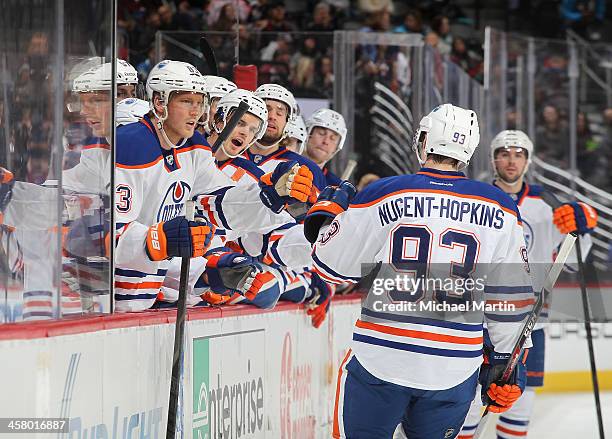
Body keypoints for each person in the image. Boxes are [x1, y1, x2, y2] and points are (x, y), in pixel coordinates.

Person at [305, 104, 535, 438]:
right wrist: (505, 360)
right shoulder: (501, 207)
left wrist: (329, 216)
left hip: (382, 357)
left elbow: (331, 267)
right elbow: (511, 300)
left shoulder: (387, 192)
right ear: (469, 149)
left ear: (424, 139)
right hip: (454, 367)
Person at [113, 60, 314, 312]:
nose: (195, 111)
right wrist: (160, 243)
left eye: (199, 103)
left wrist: (269, 196)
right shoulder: (132, 144)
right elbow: (105, 236)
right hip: (108, 298)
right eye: (187, 102)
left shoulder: (193, 147)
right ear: (159, 102)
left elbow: (217, 203)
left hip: (152, 298)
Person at [458, 130, 597, 439]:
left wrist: (583, 229)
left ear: (528, 160)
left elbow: (573, 260)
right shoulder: (476, 197)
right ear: (494, 158)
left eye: (518, 154)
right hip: (478, 320)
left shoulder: (547, 202)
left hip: (529, 324)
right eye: (504, 153)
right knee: (466, 407)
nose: (511, 160)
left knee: (520, 409)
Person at [249, 84, 327, 193]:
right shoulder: (227, 153)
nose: (272, 116)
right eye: (266, 109)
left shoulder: (308, 168)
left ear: (288, 121)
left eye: (279, 113)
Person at [303, 108, 347, 187]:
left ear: (337, 147)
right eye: (321, 133)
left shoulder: (336, 186)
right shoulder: (282, 165)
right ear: (307, 133)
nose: (326, 141)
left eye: (332, 138)